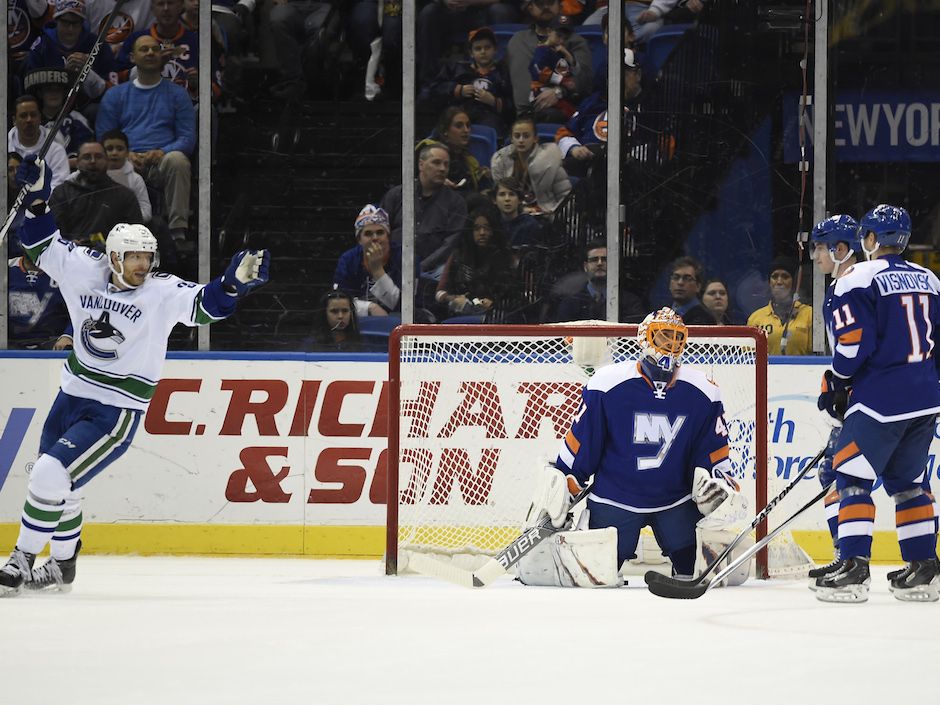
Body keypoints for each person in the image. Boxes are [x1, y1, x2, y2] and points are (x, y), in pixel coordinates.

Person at [0, 156, 270, 596]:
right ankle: (63, 566)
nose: (143, 265)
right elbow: (39, 242)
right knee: (58, 484)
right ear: (113, 257)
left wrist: (232, 285)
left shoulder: (161, 291)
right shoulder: (84, 268)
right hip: (72, 392)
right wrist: (35, 199)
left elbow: (206, 305)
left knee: (49, 473)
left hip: (116, 410)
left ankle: (21, 559)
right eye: (134, 258)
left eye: (147, 257)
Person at [526, 307, 742, 579]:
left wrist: (718, 483)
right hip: (615, 497)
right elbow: (585, 442)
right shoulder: (607, 383)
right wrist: (566, 481)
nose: (671, 345)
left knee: (696, 572)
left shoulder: (703, 390)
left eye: (677, 338)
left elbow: (712, 450)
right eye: (662, 337)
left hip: (675, 499)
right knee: (593, 577)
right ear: (644, 338)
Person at [814, 204, 940, 603]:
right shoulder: (929, 278)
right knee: (908, 483)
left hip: (881, 400)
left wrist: (839, 382)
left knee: (850, 478)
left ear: (868, 240)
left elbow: (852, 345)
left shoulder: (858, 276)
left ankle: (853, 567)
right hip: (925, 398)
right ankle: (925, 568)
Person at [95, 34, 196, 253]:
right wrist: (126, 155)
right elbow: (104, 137)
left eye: (154, 49)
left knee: (178, 159)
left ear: (162, 56)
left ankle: (177, 232)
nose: (150, 53)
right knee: (109, 161)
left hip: (162, 161)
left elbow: (187, 138)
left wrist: (162, 151)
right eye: (144, 49)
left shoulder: (178, 94)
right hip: (125, 161)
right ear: (132, 57)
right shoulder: (115, 95)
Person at [380, 141, 468, 278]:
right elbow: (381, 232)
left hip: (431, 270)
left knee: (444, 274)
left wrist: (418, 268)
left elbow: (449, 245)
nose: (442, 169)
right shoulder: (397, 195)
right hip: (393, 265)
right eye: (436, 163)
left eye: (446, 164)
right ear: (421, 164)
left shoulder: (456, 202)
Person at [116, 0, 223, 104]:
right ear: (152, 8)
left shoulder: (198, 43)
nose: (166, 8)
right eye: (161, 3)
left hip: (185, 113)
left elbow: (217, 92)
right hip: (144, 111)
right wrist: (150, 67)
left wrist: (198, 86)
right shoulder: (136, 40)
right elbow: (117, 83)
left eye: (171, 3)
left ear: (181, 6)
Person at [506, 0, 592, 122]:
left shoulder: (575, 41)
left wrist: (560, 91)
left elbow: (585, 79)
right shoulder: (517, 40)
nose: (546, 7)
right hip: (521, 118)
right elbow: (505, 80)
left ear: (560, 6)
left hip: (559, 115)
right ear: (530, 7)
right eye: (540, 3)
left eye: (551, 2)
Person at [423, 27, 513, 138]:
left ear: (495, 50)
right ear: (471, 53)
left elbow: (514, 104)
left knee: (491, 129)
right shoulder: (455, 69)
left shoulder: (504, 73)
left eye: (487, 47)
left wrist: (494, 102)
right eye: (478, 48)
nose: (483, 52)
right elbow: (433, 90)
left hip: (490, 118)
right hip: (458, 114)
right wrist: (458, 90)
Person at [20, 0, 116, 105]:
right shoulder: (41, 46)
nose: (70, 29)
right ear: (56, 21)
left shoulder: (98, 45)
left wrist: (89, 73)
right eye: (65, 22)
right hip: (49, 107)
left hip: (89, 105)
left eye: (75, 23)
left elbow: (112, 90)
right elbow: (31, 89)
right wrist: (64, 76)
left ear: (82, 22)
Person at [49, 140, 144, 245]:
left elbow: (135, 236)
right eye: (87, 157)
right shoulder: (61, 194)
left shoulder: (125, 196)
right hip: (70, 256)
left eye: (98, 156)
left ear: (107, 161)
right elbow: (53, 233)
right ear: (77, 162)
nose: (93, 161)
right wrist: (68, 244)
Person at [435, 206, 517, 322]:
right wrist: (454, 298)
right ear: (470, 232)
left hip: (496, 316)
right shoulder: (458, 256)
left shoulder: (506, 257)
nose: (482, 233)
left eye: (487, 228)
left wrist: (495, 303)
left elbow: (515, 297)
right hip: (461, 312)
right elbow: (439, 293)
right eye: (477, 229)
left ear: (494, 231)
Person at [416, 0, 520, 88]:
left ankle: (499, 83)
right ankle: (429, 83)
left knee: (500, 11)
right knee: (429, 13)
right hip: (452, 12)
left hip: (485, 10)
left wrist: (471, 1)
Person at [491, 114, 571, 215]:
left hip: (545, 213)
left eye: (526, 136)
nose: (521, 140)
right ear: (511, 139)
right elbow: (500, 196)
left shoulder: (550, 159)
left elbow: (565, 195)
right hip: (514, 213)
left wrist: (552, 213)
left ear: (535, 138)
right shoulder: (500, 160)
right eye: (517, 136)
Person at [333, 204, 403, 318]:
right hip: (359, 321)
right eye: (368, 233)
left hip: (397, 321)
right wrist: (370, 307)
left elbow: (404, 306)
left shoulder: (404, 258)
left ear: (388, 236)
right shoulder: (348, 260)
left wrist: (377, 270)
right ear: (359, 240)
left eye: (380, 232)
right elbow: (338, 301)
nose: (375, 238)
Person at [552, 239, 645, 322]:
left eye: (604, 259)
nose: (599, 263)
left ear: (614, 264)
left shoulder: (630, 302)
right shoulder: (570, 304)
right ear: (585, 266)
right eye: (594, 260)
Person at [23, 68, 95, 171]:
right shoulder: (31, 121)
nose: (54, 93)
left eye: (58, 89)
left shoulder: (77, 120)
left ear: (65, 93)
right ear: (40, 93)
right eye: (49, 89)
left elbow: (88, 154)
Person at [417, 107, 493, 199]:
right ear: (445, 130)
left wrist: (485, 179)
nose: (466, 130)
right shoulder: (428, 148)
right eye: (459, 126)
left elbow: (478, 189)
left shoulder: (470, 160)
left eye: (468, 126)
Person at [745, 255, 813, 355]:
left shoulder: (809, 314)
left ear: (793, 282)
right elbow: (748, 357)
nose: (779, 282)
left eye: (785, 276)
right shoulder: (756, 318)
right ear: (769, 282)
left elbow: (816, 354)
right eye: (775, 276)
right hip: (766, 371)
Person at [7, 249, 71, 350]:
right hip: (8, 342)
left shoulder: (64, 271)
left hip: (53, 342)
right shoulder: (6, 268)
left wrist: (68, 335)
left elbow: (80, 308)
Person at [8, 95, 72, 190]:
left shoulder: (56, 151)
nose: (29, 120)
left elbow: (59, 188)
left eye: (33, 115)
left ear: (40, 118)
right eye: (23, 116)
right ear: (14, 120)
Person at [527, 19, 579, 119]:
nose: (562, 41)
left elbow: (573, 75)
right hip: (540, 91)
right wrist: (562, 80)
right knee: (569, 112)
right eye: (559, 36)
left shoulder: (562, 53)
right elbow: (539, 71)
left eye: (565, 38)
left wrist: (569, 56)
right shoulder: (541, 50)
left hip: (559, 93)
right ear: (549, 31)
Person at [102, 128, 153, 223]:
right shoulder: (89, 175)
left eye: (120, 149)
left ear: (127, 153)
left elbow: (146, 212)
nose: (114, 153)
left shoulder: (136, 179)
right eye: (109, 149)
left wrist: (127, 220)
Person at [492, 177, 545, 249]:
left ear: (519, 199)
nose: (507, 199)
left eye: (512, 194)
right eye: (502, 194)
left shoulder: (530, 225)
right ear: (494, 200)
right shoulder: (491, 225)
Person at [666, 256, 713, 325]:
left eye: (687, 279)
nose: (680, 283)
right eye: (676, 277)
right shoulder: (663, 314)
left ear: (698, 286)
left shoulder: (705, 319)